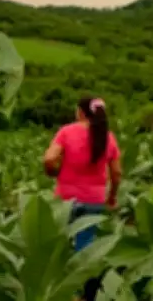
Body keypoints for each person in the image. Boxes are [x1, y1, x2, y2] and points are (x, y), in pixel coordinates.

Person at [43, 96, 122, 251]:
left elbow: (49, 158)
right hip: (93, 200)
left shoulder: (66, 132)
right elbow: (117, 173)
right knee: (85, 245)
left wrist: (52, 171)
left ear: (80, 112)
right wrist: (112, 196)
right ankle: (84, 274)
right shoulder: (108, 137)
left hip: (66, 199)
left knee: (61, 243)